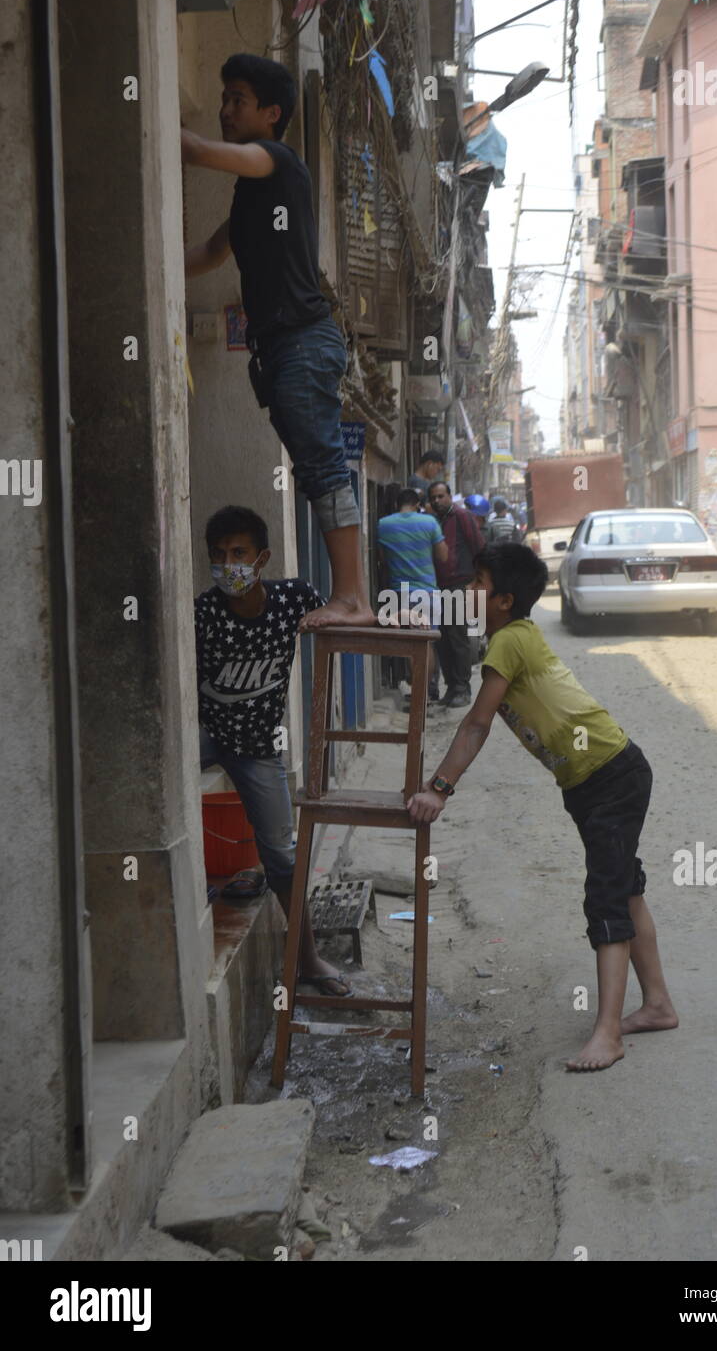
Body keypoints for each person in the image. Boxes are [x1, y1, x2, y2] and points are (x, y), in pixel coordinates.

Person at [407, 543, 676, 1071]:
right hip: (594, 777)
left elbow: (477, 724)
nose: (468, 590)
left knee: (606, 897)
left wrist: (438, 787)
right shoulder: (511, 635)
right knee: (625, 887)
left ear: (504, 600)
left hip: (609, 774)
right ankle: (658, 1005)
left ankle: (608, 1034)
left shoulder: (508, 641)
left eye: (478, 582)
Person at [182, 54, 373, 631]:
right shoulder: (251, 197)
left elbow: (200, 152)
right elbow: (211, 254)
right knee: (317, 467)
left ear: (271, 113)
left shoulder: (277, 161)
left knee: (321, 465)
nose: (224, 109)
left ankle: (353, 599)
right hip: (284, 348)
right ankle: (351, 597)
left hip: (302, 341)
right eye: (223, 99)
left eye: (236, 99)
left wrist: (152, 118)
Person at [196, 505, 351, 996]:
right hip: (201, 737)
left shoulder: (293, 598)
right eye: (218, 555)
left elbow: (338, 622)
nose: (229, 565)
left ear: (261, 558)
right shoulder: (202, 614)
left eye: (239, 553)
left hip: (259, 747)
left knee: (283, 856)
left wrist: (397, 618)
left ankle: (307, 959)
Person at [377, 489, 448, 700]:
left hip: (401, 592)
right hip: (427, 591)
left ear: (398, 504)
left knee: (412, 645)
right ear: (418, 503)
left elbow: (382, 558)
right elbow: (443, 556)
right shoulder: (429, 522)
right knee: (427, 643)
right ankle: (425, 693)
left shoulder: (384, 524)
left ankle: (421, 694)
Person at [428, 482, 484, 708]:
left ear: (450, 496)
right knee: (442, 640)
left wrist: (477, 580)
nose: (437, 501)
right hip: (438, 588)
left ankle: (463, 688)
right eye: (433, 497)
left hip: (458, 585)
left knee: (457, 638)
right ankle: (451, 688)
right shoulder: (433, 521)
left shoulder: (462, 516)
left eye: (441, 496)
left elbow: (479, 546)